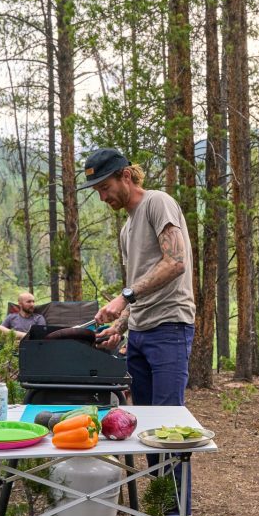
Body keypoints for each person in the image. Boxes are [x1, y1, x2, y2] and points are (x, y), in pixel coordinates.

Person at [85, 148, 196, 407]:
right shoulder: (126, 229)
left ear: (125, 176)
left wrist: (124, 297)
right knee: (145, 420)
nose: (102, 197)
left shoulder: (157, 202)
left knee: (167, 421)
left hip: (169, 326)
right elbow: (138, 285)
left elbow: (176, 262)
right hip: (138, 332)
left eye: (105, 187)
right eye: (97, 192)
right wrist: (118, 327)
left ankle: (176, 451)